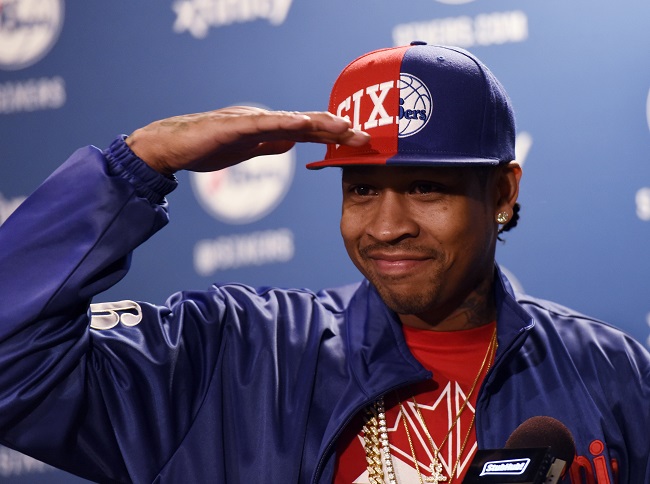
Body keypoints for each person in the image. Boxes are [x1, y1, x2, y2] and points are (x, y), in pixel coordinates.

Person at [0, 43, 648, 484]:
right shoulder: (237, 355)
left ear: (503, 192)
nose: (388, 227)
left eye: (427, 188)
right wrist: (134, 166)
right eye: (362, 189)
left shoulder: (617, 375)